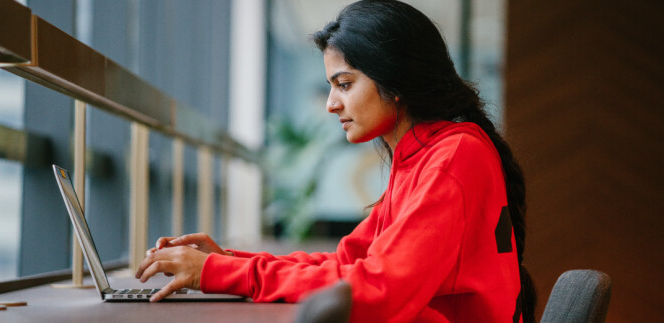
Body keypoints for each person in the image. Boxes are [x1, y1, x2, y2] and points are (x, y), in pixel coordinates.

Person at [135, 0, 536, 321]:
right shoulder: (423, 156)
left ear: (395, 81)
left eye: (345, 84)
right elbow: (349, 261)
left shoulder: (453, 156)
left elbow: (379, 290)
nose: (331, 105)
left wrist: (221, 274)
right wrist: (227, 261)